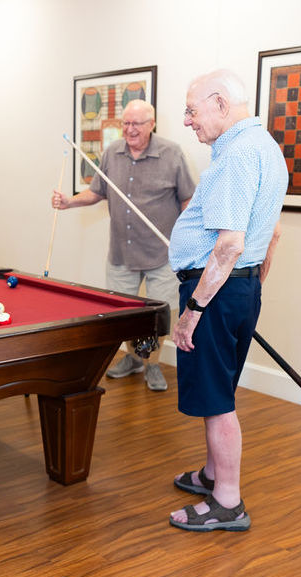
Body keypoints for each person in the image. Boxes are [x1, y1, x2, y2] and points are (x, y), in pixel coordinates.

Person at [167, 70, 287, 532]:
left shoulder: (236, 155)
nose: (187, 121)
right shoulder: (266, 147)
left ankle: (227, 503)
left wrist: (194, 311)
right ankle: (214, 474)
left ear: (219, 103)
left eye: (192, 110)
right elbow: (272, 233)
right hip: (237, 288)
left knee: (218, 402)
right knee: (221, 390)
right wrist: (248, 290)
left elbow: (229, 244)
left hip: (214, 290)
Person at [52, 99, 195, 391]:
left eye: (136, 124)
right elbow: (97, 192)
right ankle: (132, 358)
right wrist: (69, 202)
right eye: (125, 123)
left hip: (162, 254)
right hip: (121, 252)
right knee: (123, 314)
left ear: (151, 124)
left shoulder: (172, 154)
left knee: (160, 315)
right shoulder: (111, 153)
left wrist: (186, 240)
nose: (129, 130)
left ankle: (152, 364)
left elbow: (187, 200)